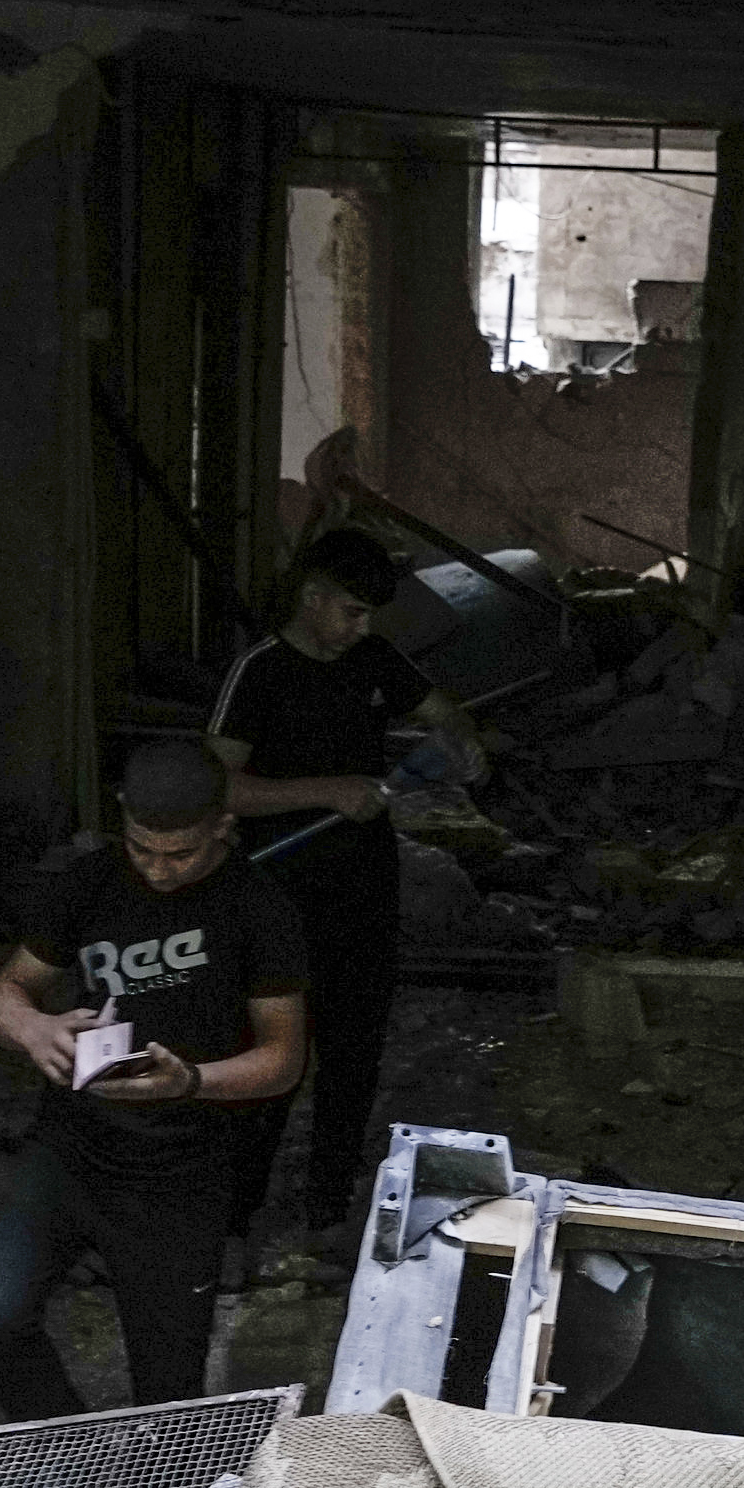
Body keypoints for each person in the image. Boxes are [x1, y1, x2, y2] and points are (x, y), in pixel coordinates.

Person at [0, 739, 309, 1413]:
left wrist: (191, 1081)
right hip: (73, 1147)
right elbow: (6, 994)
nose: (157, 870)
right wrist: (37, 1029)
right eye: (142, 848)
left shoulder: (259, 908)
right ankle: (72, 1447)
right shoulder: (86, 883)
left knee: (168, 1392)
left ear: (222, 827)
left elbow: (283, 1059)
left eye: (179, 855)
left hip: (184, 1170)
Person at [207, 529, 486, 1253]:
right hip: (278, 892)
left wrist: (460, 740)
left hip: (362, 886)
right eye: (352, 612)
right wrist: (327, 790)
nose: (363, 628)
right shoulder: (261, 673)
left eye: (369, 616)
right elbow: (218, 788)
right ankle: (233, 1222)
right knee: (271, 1060)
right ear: (313, 598)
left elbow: (443, 715)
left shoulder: (371, 660)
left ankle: (328, 1214)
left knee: (354, 1055)